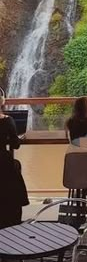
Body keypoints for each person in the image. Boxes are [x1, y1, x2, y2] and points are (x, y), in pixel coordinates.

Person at [0, 89, 29, 228]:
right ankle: (13, 214)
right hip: (3, 159)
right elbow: (15, 145)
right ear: (2, 102)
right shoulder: (7, 120)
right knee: (15, 166)